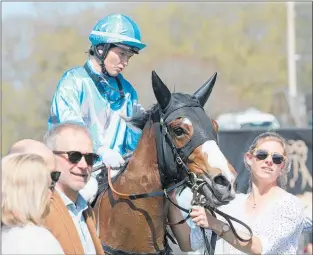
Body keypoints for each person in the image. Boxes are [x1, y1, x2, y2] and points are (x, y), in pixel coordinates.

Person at [48, 13, 146, 203]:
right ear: (101, 49)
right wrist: (101, 150)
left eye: (129, 56)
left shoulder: (128, 92)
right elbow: (69, 130)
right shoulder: (73, 81)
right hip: (76, 169)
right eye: (122, 54)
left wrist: (138, 129)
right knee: (87, 191)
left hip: (117, 173)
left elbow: (133, 147)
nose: (125, 62)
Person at [169, 131, 306, 254]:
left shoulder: (290, 205)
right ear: (249, 159)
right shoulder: (229, 204)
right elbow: (188, 243)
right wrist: (171, 197)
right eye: (262, 155)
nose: (269, 161)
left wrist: (214, 223)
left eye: (277, 158)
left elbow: (260, 249)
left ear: (282, 166)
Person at [42, 122, 104, 255]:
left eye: (90, 158)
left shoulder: (87, 211)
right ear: (50, 157)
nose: (83, 165)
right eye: (74, 156)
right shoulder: (40, 211)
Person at [1, 153, 64, 254]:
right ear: (34, 195)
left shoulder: (6, 234)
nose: (51, 193)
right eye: (48, 186)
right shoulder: (39, 240)